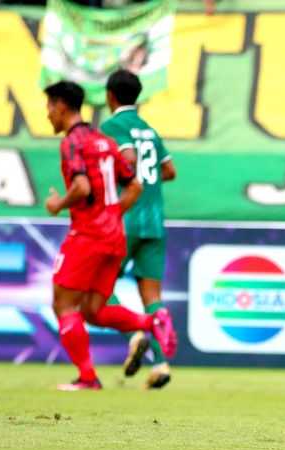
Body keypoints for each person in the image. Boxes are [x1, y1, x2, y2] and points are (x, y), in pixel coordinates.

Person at [44, 80, 177, 391]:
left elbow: (82, 188)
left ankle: (88, 378)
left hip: (88, 234)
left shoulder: (75, 142)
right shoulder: (102, 139)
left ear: (62, 106)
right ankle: (151, 323)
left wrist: (57, 205)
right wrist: (112, 215)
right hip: (117, 234)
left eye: (49, 107)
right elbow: (136, 183)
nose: (47, 114)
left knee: (64, 304)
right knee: (93, 310)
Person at [100, 69, 177, 389]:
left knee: (99, 287)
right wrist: (151, 179)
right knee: (152, 295)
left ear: (110, 96)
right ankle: (161, 363)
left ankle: (135, 336)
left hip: (126, 216)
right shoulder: (150, 130)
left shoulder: (111, 126)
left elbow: (127, 163)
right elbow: (170, 171)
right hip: (155, 220)